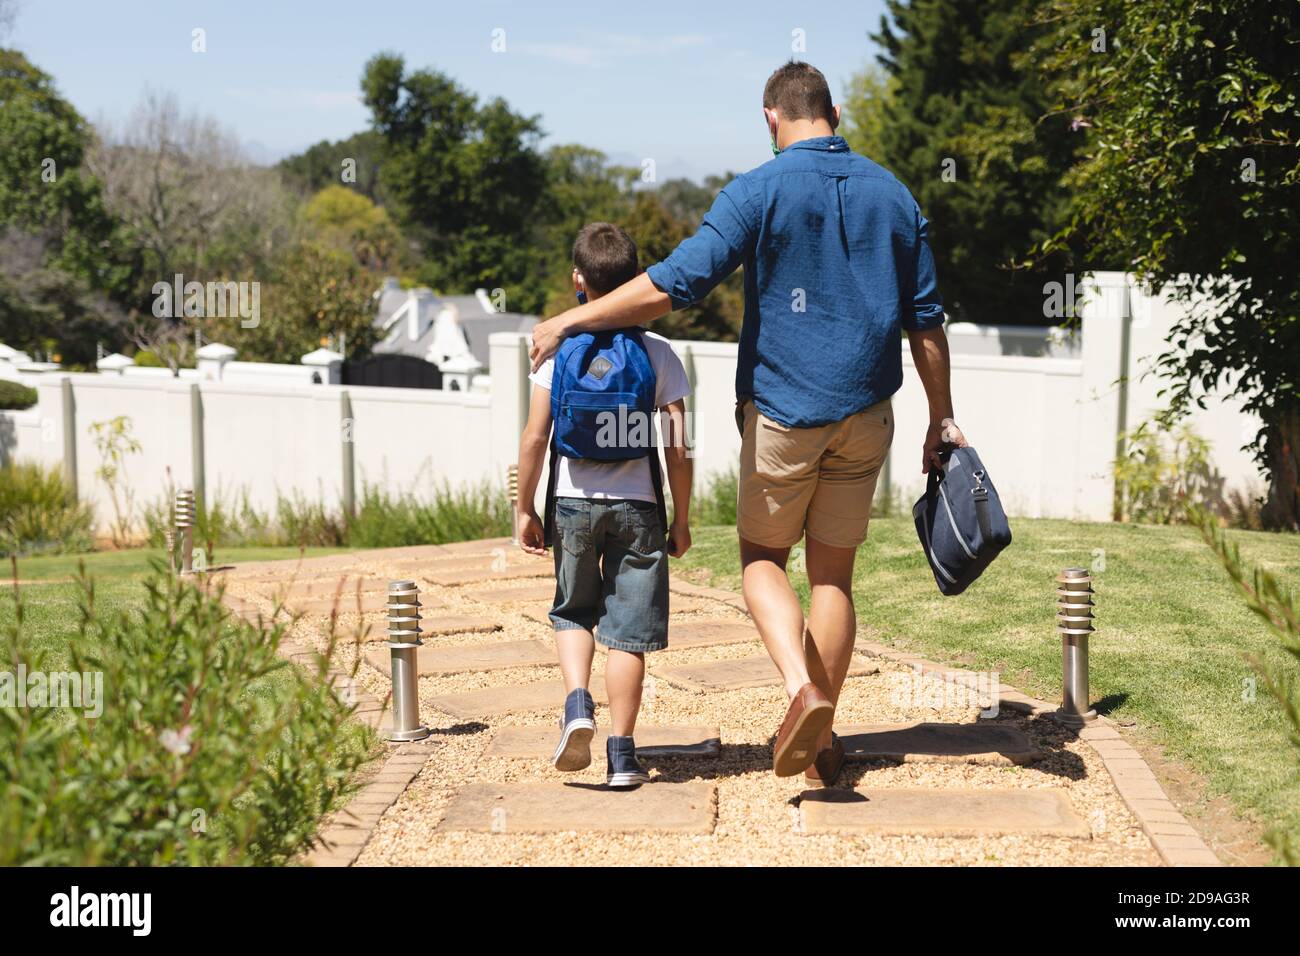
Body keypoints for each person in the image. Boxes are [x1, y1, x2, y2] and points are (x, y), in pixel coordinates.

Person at [529, 62, 967, 785]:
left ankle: (803, 690)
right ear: (832, 111)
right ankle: (824, 737)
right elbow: (927, 325)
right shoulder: (895, 193)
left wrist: (571, 317)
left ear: (772, 117)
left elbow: (672, 284)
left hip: (786, 416)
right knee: (834, 578)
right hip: (868, 415)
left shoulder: (758, 189)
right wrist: (942, 418)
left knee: (763, 560)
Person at [515, 222, 693, 788]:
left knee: (573, 609)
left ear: (578, 280)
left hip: (571, 502)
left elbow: (534, 438)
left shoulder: (555, 350)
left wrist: (524, 507)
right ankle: (622, 754)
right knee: (628, 630)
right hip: (638, 506)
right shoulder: (660, 353)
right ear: (636, 281)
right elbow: (678, 446)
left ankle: (575, 707)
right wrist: (682, 516)